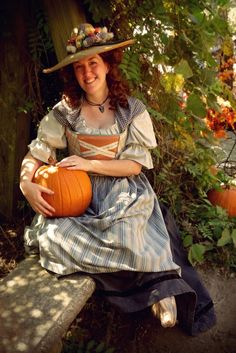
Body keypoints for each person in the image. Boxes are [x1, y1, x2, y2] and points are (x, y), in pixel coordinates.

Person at [20, 23, 216, 335]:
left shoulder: (130, 109)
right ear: (74, 72)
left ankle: (161, 293)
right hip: (78, 198)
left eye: (94, 63)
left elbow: (133, 167)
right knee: (54, 237)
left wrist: (87, 162)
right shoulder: (65, 111)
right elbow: (38, 153)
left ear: (109, 65)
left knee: (129, 234)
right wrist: (26, 183)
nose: (87, 73)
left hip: (122, 191)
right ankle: (154, 291)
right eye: (80, 66)